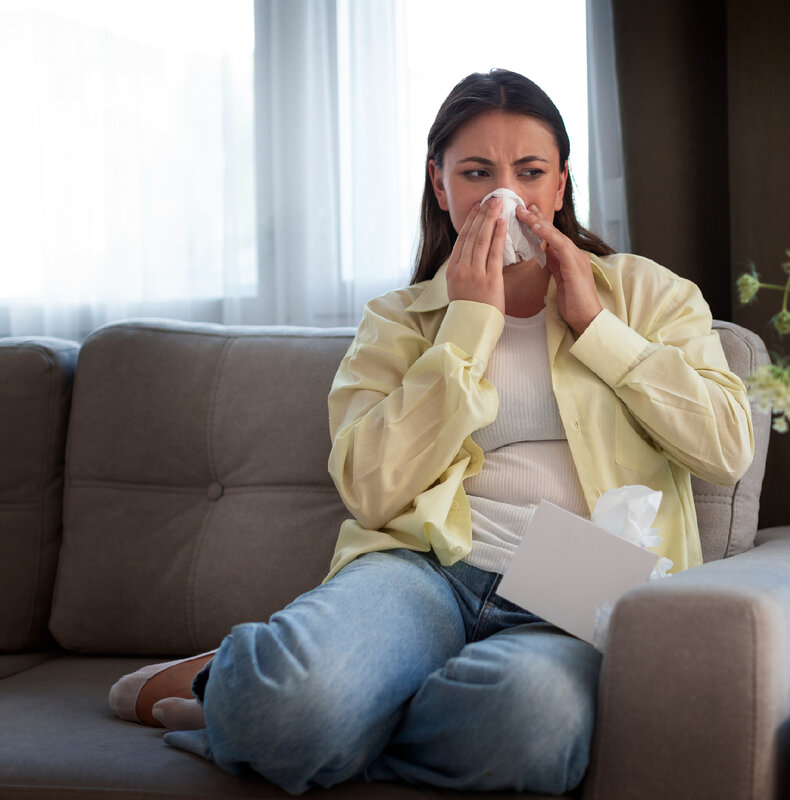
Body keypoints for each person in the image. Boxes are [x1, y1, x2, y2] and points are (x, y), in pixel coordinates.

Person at [108, 68, 754, 796]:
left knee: (529, 725)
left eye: (529, 172)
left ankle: (304, 710)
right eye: (476, 173)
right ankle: (293, 701)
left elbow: (725, 448)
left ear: (560, 187)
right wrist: (469, 326)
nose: (504, 194)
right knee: (286, 706)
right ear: (441, 186)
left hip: (577, 597)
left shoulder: (646, 295)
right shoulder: (399, 321)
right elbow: (371, 490)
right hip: (425, 571)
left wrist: (597, 329)